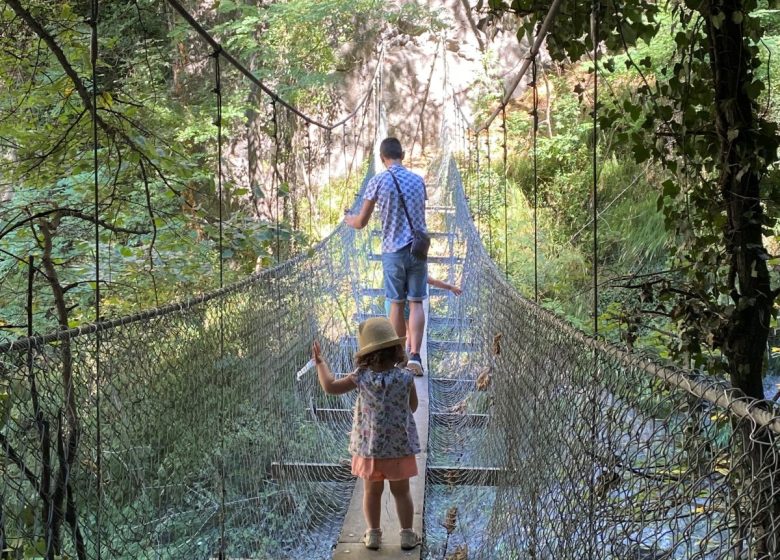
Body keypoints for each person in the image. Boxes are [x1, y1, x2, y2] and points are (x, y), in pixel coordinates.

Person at [313, 317, 421, 551]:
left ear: (366, 354)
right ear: (396, 351)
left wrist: (320, 363)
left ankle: (373, 534)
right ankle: (407, 535)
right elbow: (413, 407)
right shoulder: (406, 377)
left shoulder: (360, 377)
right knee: (401, 492)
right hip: (399, 449)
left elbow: (330, 386)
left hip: (369, 449)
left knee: (371, 492)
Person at [345, 137, 428, 375]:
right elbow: (419, 214)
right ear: (402, 155)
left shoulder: (378, 180)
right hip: (418, 250)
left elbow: (361, 222)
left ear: (382, 158)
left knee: (396, 302)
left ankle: (399, 357)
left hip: (393, 251)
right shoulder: (418, 180)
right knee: (416, 302)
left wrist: (348, 219)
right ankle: (415, 357)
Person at [384, 277, 462, 351]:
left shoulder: (395, 268)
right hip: (408, 303)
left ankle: (399, 352)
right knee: (410, 331)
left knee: (395, 330)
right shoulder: (415, 269)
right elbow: (434, 281)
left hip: (391, 303)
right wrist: (451, 287)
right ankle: (409, 352)